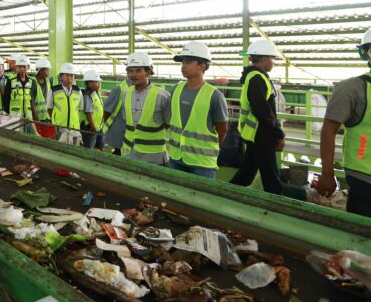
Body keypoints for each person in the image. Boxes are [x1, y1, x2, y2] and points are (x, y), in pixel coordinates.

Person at [314, 24, 371, 224]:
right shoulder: (350, 89)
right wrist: (327, 173)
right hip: (368, 180)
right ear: (365, 54)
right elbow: (328, 130)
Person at [230, 39, 285, 194]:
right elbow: (263, 112)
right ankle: (276, 206)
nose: (273, 62)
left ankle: (226, 194)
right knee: (271, 179)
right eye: (272, 58)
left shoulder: (255, 77)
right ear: (263, 59)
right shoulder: (256, 79)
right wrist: (278, 134)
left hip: (255, 134)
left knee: (246, 174)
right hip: (261, 135)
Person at [167, 42, 229, 179]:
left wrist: (208, 151)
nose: (183, 66)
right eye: (183, 62)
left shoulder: (215, 96)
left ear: (202, 65)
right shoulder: (175, 89)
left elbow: (222, 129)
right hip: (176, 157)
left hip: (203, 164)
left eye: (188, 62)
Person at [114, 52, 171, 164]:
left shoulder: (162, 96)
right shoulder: (126, 93)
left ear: (148, 72)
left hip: (153, 156)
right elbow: (127, 120)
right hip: (129, 152)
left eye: (138, 70)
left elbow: (168, 123)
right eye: (130, 71)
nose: (133, 75)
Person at [102, 59, 136, 155]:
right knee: (120, 155)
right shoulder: (120, 89)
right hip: (120, 134)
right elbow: (107, 111)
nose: (135, 74)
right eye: (132, 70)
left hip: (135, 134)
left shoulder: (141, 89)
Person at [46, 63, 84, 145]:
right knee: (59, 149)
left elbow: (80, 108)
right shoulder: (54, 90)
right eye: (67, 75)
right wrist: (55, 120)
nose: (70, 78)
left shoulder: (78, 91)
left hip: (74, 129)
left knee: (74, 150)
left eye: (72, 75)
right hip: (59, 128)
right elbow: (49, 108)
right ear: (61, 76)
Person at [3, 55, 39, 133]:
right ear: (17, 67)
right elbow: (6, 99)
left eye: (24, 67)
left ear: (28, 67)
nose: (22, 69)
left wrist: (34, 116)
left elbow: (32, 100)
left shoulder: (32, 82)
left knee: (28, 137)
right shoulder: (10, 80)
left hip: (28, 118)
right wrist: (7, 115)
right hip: (14, 118)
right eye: (20, 67)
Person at [80, 69, 105, 150]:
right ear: (90, 83)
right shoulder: (87, 95)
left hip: (98, 127)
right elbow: (88, 112)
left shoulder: (95, 93)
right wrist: (93, 126)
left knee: (99, 148)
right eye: (97, 82)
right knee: (89, 150)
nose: (99, 84)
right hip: (91, 129)